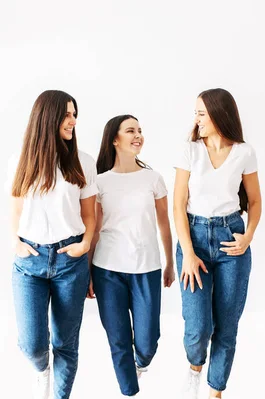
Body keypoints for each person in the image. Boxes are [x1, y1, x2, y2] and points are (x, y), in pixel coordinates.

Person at [7, 90, 97, 399]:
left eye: (75, 114)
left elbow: (90, 214)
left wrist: (85, 246)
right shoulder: (21, 161)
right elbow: (15, 209)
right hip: (29, 261)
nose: (73, 121)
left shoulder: (83, 162)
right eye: (67, 114)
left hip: (69, 261)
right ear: (48, 117)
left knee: (65, 344)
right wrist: (15, 243)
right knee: (32, 344)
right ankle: (41, 369)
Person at [173, 88, 262, 398]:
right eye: (196, 112)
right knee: (197, 327)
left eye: (201, 113)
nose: (196, 119)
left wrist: (248, 236)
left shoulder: (244, 152)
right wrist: (186, 253)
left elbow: (254, 200)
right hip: (193, 238)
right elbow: (178, 204)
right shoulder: (190, 150)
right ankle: (195, 366)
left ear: (219, 114)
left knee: (226, 326)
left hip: (231, 241)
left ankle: (215, 391)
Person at [89, 114, 175, 397]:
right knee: (118, 341)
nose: (138, 135)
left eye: (140, 130)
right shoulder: (100, 182)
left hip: (146, 268)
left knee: (148, 342)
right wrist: (88, 272)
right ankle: (129, 391)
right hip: (107, 270)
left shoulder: (153, 178)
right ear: (115, 139)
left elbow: (164, 222)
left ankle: (142, 363)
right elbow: (96, 228)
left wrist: (170, 262)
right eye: (130, 131)